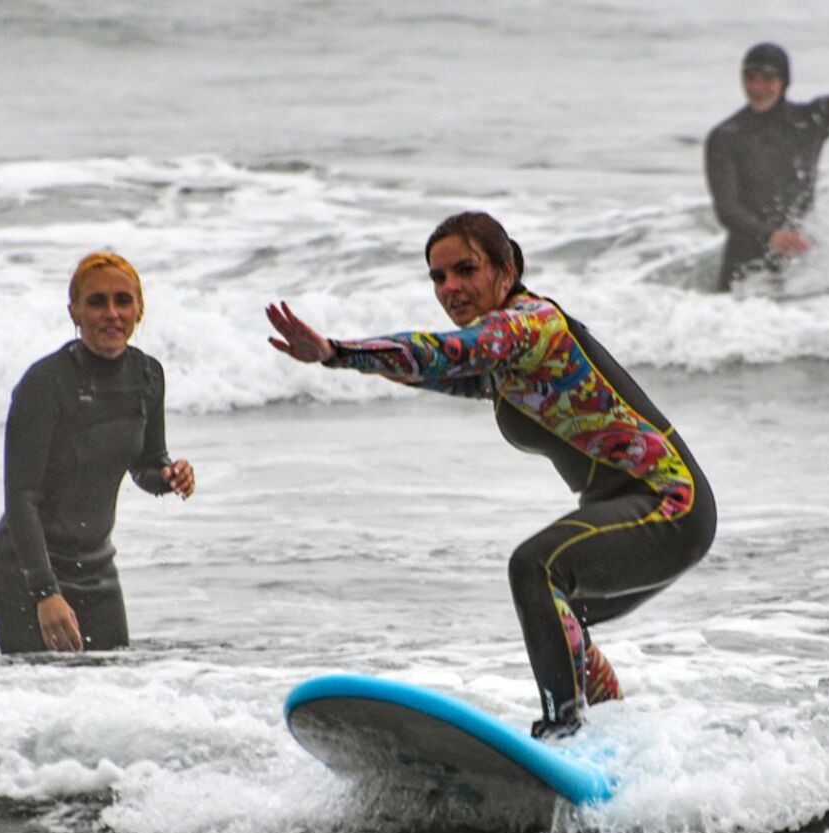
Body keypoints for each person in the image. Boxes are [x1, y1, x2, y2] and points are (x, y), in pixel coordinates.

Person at [266, 212, 716, 738]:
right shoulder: (504, 362)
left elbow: (443, 352)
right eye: (438, 277)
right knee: (556, 612)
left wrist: (336, 351)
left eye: (464, 270)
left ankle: (564, 731)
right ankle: (615, 730)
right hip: (633, 508)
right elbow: (436, 369)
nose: (450, 288)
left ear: (506, 270)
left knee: (535, 568)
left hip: (670, 503)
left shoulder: (531, 324)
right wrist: (344, 362)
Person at [0, 251, 195, 654]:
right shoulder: (44, 383)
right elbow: (21, 498)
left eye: (123, 301)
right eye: (96, 302)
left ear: (139, 309)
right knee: (34, 694)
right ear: (75, 312)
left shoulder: (148, 376)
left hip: (97, 569)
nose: (112, 313)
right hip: (29, 571)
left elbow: (147, 463)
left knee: (116, 691)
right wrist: (45, 593)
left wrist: (170, 476)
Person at [705, 42, 829, 291]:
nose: (758, 88)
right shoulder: (726, 136)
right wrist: (771, 236)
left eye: (768, 79)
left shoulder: (809, 121)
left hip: (798, 265)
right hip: (744, 268)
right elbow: (727, 209)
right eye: (751, 78)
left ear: (784, 81)